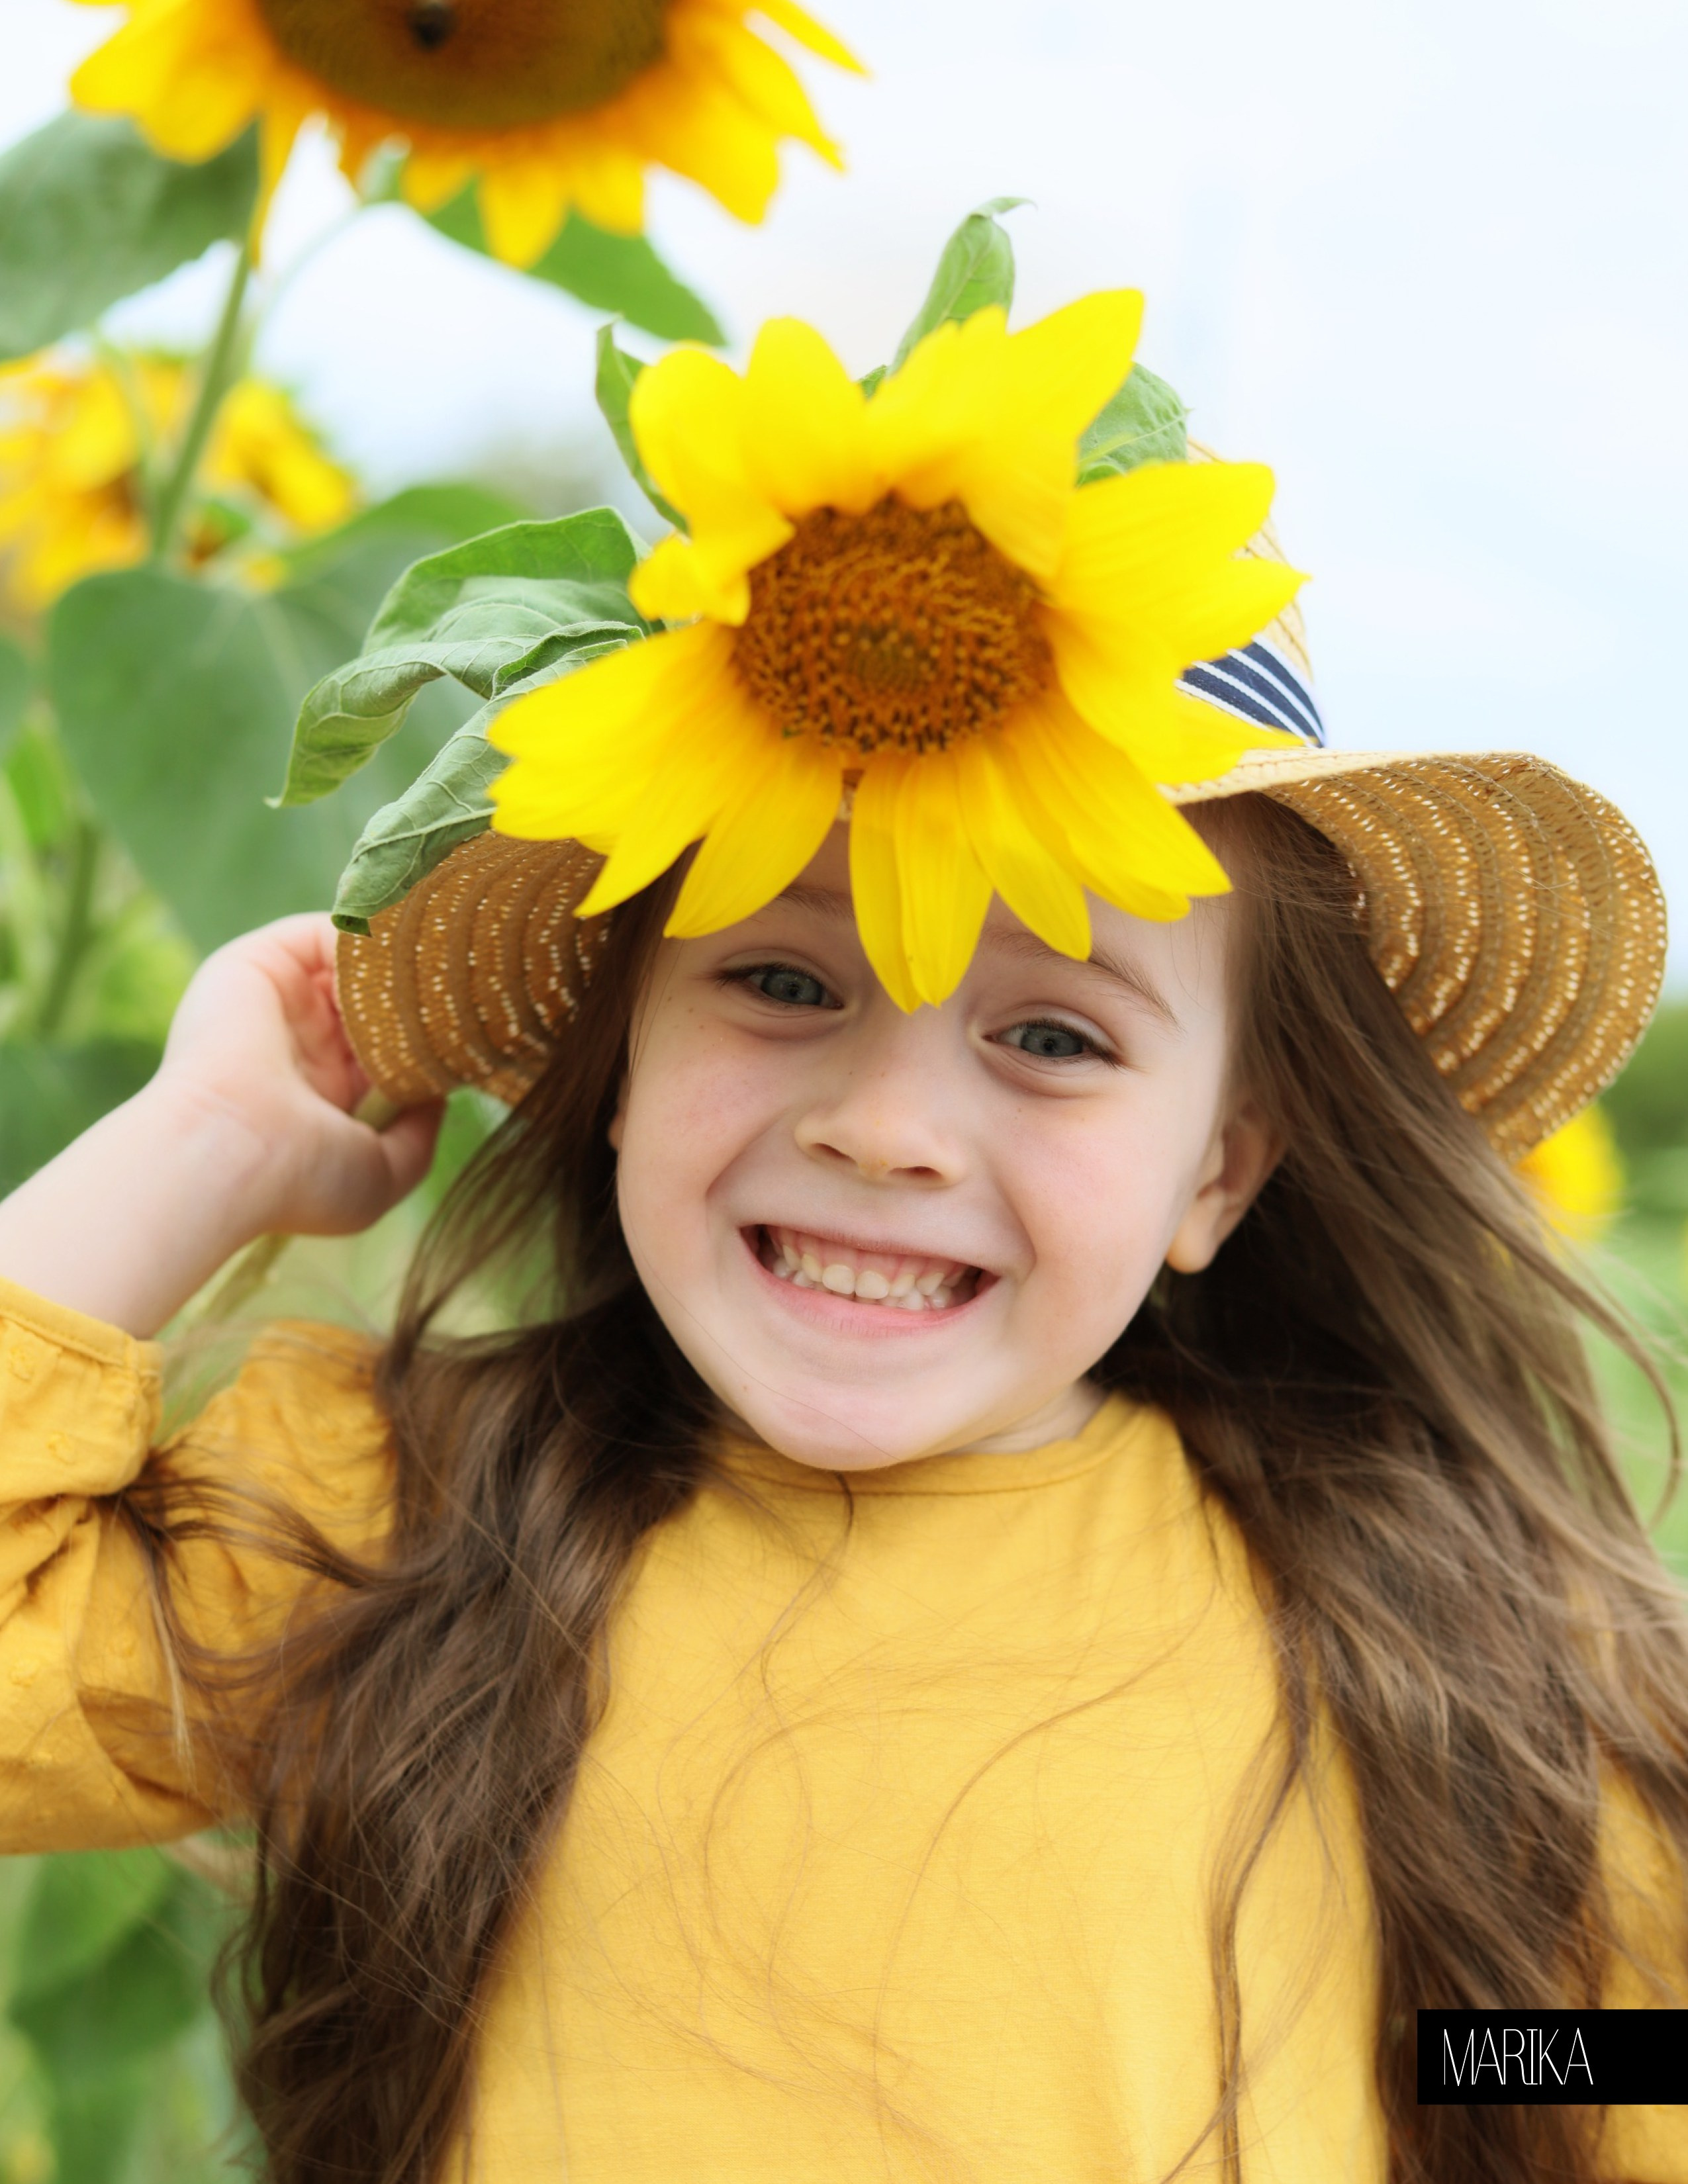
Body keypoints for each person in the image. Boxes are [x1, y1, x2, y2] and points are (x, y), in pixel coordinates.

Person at [0, 289, 1684, 2184]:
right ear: (614, 1055)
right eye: (785, 979)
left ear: (1221, 1169)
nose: (884, 1129)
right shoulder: (421, 1519)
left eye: (1051, 1036)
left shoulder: (1427, 1646)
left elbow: (1570, 2059)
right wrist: (206, 1138)